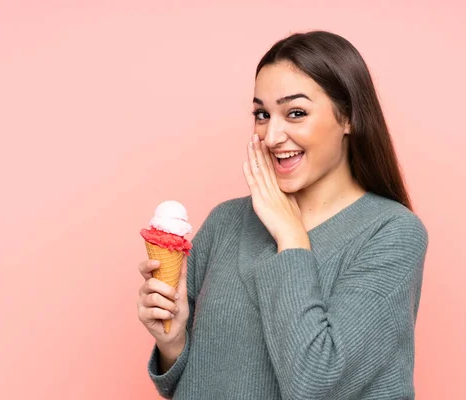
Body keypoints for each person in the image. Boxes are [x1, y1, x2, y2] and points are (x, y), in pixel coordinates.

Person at [136, 30, 429, 399]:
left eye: (296, 113)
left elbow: (315, 382)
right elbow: (198, 385)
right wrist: (173, 344)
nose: (272, 136)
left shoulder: (392, 233)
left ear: (349, 117)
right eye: (262, 114)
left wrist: (291, 238)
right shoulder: (224, 223)